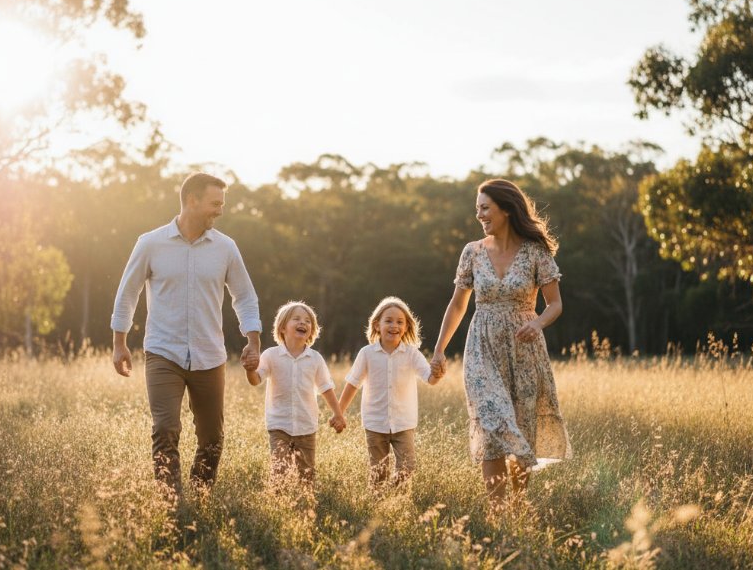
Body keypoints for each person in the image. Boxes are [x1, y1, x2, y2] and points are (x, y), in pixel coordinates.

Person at [110, 172, 262, 500]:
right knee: (165, 429)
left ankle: (200, 499)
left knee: (212, 438)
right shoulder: (150, 243)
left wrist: (253, 339)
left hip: (210, 355)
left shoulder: (225, 248)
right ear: (192, 200)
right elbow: (127, 294)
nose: (220, 211)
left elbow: (245, 297)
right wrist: (119, 343)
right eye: (215, 204)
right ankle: (171, 506)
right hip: (163, 352)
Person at [431, 178, 571, 509]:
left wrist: (537, 323)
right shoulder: (472, 252)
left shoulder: (535, 252)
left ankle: (517, 507)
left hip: (525, 350)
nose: (479, 215)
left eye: (485, 208)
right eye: (477, 208)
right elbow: (457, 305)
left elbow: (555, 304)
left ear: (506, 209)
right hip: (482, 348)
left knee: (522, 426)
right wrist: (438, 349)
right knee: (491, 423)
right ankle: (497, 511)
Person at [339, 297, 444, 487]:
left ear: (406, 327)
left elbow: (430, 379)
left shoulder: (411, 354)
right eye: (388, 321)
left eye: (399, 322)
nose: (394, 325)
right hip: (375, 423)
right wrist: (339, 413)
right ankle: (379, 501)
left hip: (404, 423)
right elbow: (353, 383)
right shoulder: (367, 353)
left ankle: (396, 496)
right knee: (378, 472)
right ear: (377, 325)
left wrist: (438, 374)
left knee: (407, 467)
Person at [245, 301, 346, 486]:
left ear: (312, 330)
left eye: (308, 321)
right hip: (279, 425)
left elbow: (326, 387)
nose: (303, 323)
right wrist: (249, 369)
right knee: (279, 472)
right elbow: (256, 380)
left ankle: (305, 501)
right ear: (283, 327)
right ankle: (277, 499)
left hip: (306, 426)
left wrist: (338, 414)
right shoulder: (271, 355)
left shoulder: (315, 359)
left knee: (306, 476)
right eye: (297, 319)